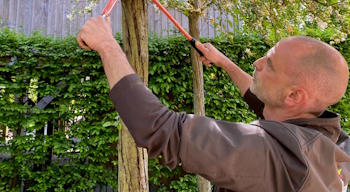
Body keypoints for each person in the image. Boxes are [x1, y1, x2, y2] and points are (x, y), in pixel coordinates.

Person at [77, 16, 350, 192]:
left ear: (294, 97)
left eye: (269, 64)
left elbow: (159, 128)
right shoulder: (331, 142)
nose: (257, 63)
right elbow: (269, 106)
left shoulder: (269, 155)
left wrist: (107, 45)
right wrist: (223, 62)